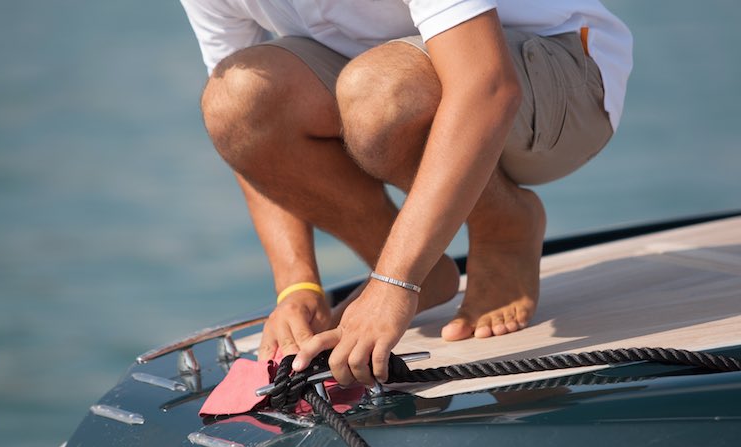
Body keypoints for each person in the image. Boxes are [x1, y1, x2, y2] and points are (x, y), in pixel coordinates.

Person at [180, 0, 632, 386]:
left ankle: (503, 226)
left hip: (564, 77)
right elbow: (251, 131)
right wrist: (296, 286)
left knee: (378, 93)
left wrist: (393, 284)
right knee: (234, 97)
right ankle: (422, 266)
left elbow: (488, 87)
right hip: (387, 78)